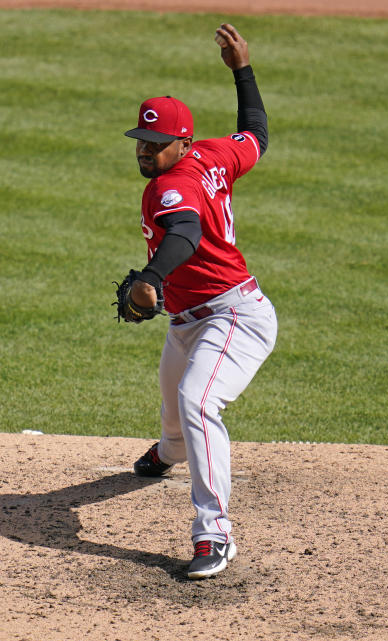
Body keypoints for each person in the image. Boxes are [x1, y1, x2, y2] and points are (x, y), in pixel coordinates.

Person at [121, 23, 277, 579]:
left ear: (182, 144)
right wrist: (242, 69)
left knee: (197, 401)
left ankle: (215, 534)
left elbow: (183, 234)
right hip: (191, 319)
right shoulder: (214, 155)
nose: (145, 150)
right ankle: (169, 451)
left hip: (234, 314)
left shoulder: (173, 186)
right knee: (173, 405)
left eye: (156, 144)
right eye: (141, 140)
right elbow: (256, 132)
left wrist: (152, 275)